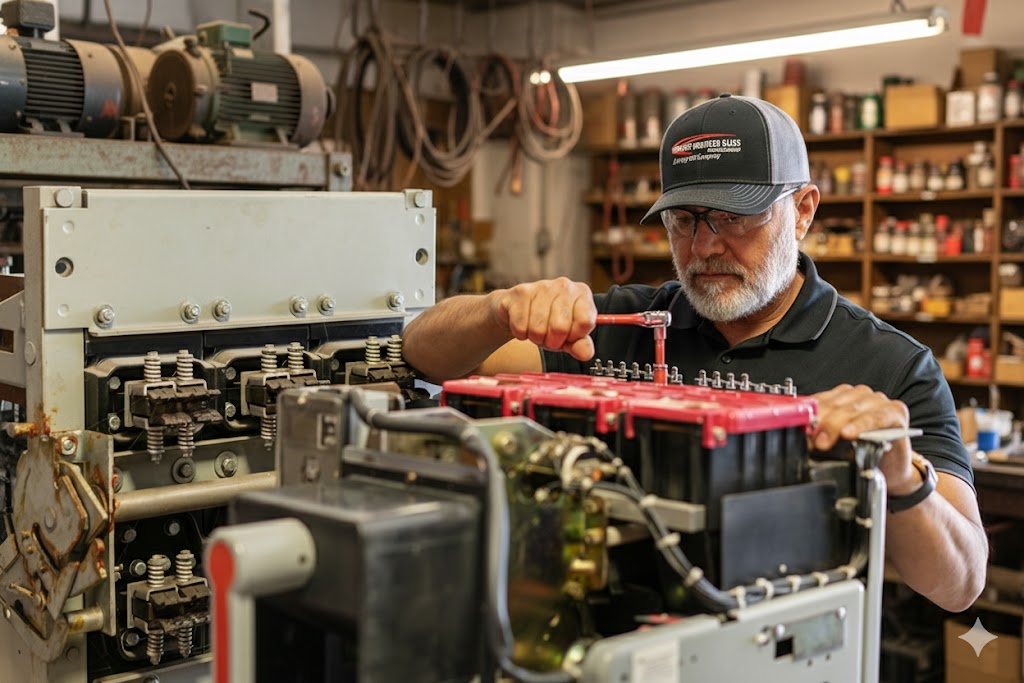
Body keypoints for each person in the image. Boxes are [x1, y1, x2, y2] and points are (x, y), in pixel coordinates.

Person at [402, 93, 986, 612]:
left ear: (803, 210)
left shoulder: (890, 368)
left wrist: (901, 475)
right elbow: (422, 351)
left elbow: (961, 584)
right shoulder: (621, 324)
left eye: (734, 217)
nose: (704, 246)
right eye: (685, 220)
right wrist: (498, 310)